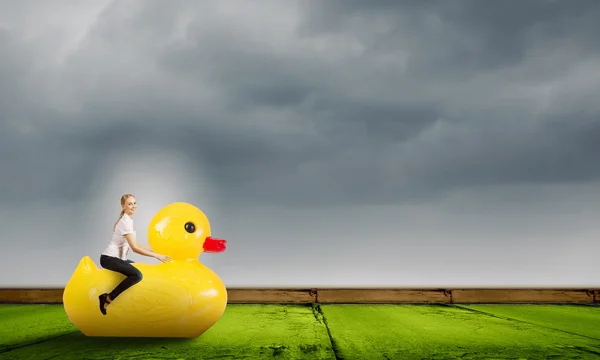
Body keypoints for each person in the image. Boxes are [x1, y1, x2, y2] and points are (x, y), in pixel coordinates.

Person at [98, 193, 171, 315]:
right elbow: (135, 248)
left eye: (135, 203)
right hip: (109, 259)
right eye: (130, 204)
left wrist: (154, 251)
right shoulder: (125, 222)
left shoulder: (129, 221)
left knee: (140, 269)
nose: (133, 206)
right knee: (137, 275)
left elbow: (135, 242)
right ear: (123, 206)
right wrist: (156, 256)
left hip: (119, 259)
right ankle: (108, 298)